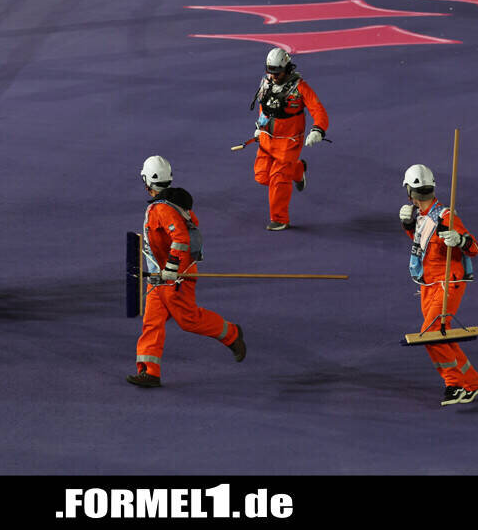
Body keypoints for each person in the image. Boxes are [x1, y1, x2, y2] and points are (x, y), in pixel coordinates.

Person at [130, 155, 246, 388]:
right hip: (160, 277)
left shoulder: (162, 209)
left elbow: (181, 238)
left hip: (177, 278)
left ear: (147, 181)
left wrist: (172, 268)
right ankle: (149, 371)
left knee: (189, 320)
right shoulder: (172, 203)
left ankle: (232, 334)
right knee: (152, 321)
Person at [400, 164, 478, 406]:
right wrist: (409, 226)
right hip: (429, 284)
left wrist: (460, 240)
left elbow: (475, 248)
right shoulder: (423, 216)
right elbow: (423, 246)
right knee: (440, 336)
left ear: (409, 191)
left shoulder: (446, 217)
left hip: (448, 282)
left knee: (430, 333)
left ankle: (454, 384)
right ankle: (471, 383)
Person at [250, 47, 330, 231]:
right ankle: (298, 169)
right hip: (267, 138)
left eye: (277, 72)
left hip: (289, 141)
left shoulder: (300, 87)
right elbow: (264, 107)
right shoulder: (266, 82)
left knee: (278, 179)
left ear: (286, 68)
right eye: (270, 71)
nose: (274, 76)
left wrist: (318, 129)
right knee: (261, 176)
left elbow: (318, 109)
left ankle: (280, 219)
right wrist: (259, 127)